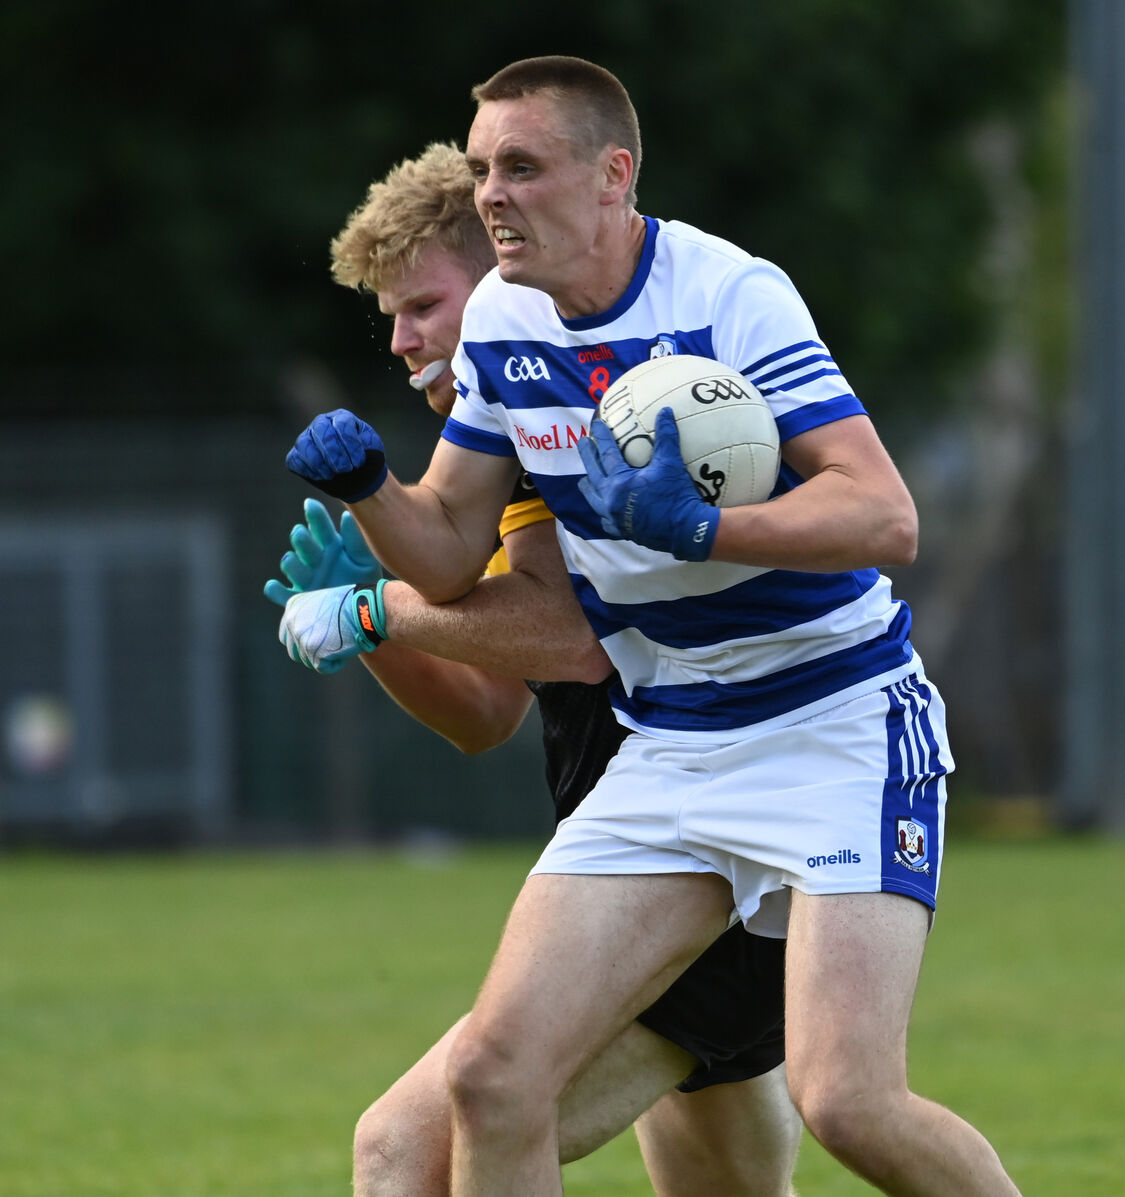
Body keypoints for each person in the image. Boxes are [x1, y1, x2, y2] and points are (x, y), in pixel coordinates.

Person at [284, 58, 1022, 1196]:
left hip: (834, 719)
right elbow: (445, 543)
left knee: (849, 1101)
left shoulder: (729, 296)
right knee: (492, 1078)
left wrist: (708, 526)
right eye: (481, 168)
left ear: (611, 175)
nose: (491, 193)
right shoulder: (504, 318)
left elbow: (884, 514)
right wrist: (374, 490)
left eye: (521, 167)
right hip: (673, 738)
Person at [269, 142, 802, 1197]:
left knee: (401, 1148)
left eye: (421, 305)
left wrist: (382, 606)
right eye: (389, 318)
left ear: (505, 286)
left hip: (701, 862)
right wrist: (388, 636)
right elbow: (485, 715)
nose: (401, 340)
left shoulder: (583, 427)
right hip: (670, 866)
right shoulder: (501, 457)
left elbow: (572, 637)